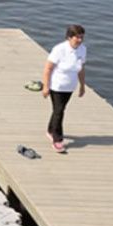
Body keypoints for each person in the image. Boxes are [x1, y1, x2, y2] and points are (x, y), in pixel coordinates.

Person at [41, 25, 86, 153]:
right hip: (57, 86)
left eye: (82, 37)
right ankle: (57, 140)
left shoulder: (82, 50)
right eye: (77, 37)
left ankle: (50, 130)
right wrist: (46, 86)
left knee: (59, 110)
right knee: (59, 111)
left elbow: (81, 69)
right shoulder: (59, 49)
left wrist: (82, 86)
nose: (80, 40)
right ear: (69, 37)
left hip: (70, 86)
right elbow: (48, 68)